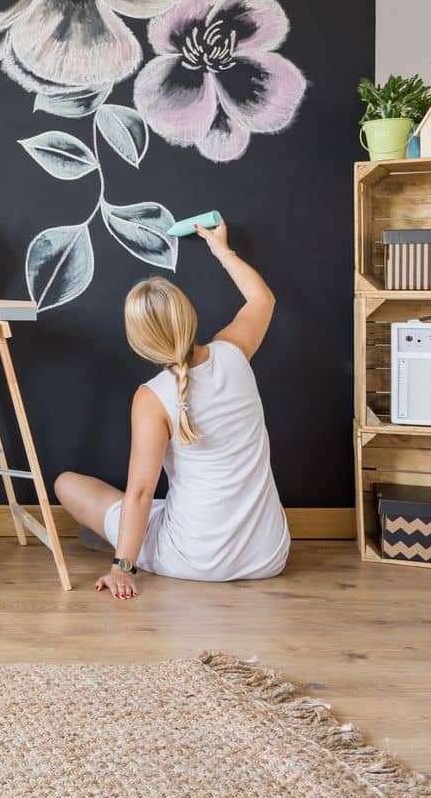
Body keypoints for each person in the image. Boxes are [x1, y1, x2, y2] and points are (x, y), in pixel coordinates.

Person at [54, 222, 289, 601]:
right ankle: (125, 537)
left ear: (139, 340)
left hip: (194, 559)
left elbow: (142, 491)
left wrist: (122, 568)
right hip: (268, 554)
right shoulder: (234, 354)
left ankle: (124, 545)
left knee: (67, 483)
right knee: (166, 504)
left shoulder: (152, 397)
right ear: (188, 315)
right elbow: (262, 299)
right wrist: (221, 249)